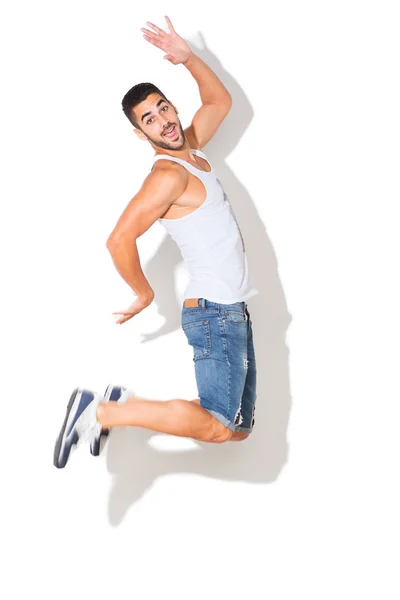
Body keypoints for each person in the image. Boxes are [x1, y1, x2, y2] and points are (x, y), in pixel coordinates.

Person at [54, 16, 259, 469]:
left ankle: (117, 404)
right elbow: (118, 239)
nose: (163, 120)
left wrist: (188, 58)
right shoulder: (167, 176)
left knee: (237, 430)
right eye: (149, 118)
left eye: (163, 108)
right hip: (214, 313)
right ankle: (101, 411)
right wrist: (144, 293)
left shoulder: (192, 148)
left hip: (231, 309)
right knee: (218, 425)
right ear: (139, 132)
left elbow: (218, 100)